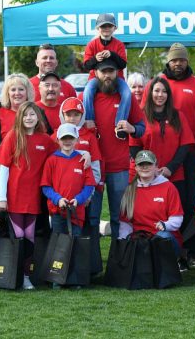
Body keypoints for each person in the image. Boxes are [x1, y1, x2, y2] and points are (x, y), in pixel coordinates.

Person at [130, 76, 194, 267]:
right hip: (147, 176)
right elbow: (134, 146)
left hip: (174, 175)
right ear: (150, 94)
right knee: (149, 215)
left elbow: (185, 145)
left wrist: (169, 168)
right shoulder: (140, 116)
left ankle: (179, 257)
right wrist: (151, 170)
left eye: (164, 91)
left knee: (175, 217)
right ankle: (149, 252)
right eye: (156, 91)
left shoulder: (178, 115)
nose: (160, 95)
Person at [0, 101, 57, 290]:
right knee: (18, 236)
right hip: (13, 197)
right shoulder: (13, 137)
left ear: (38, 117)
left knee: (30, 237)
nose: (29, 118)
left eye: (32, 114)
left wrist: (84, 156)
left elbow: (60, 158)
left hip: (34, 199)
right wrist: (2, 198)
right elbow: (4, 169)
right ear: (19, 118)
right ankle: (14, 274)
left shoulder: (45, 140)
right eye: (25, 115)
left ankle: (26, 275)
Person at [159, 43, 195, 259]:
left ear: (187, 61)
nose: (177, 63)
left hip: (188, 153)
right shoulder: (159, 83)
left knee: (190, 201)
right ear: (168, 62)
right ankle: (165, 245)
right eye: (174, 60)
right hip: (162, 153)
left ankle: (189, 247)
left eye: (181, 60)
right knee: (164, 200)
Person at [91, 57, 146, 238]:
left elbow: (142, 128)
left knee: (119, 217)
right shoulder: (88, 99)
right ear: (96, 74)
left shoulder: (125, 99)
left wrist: (132, 129)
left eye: (111, 72)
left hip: (119, 167)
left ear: (117, 73)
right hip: (93, 166)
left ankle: (119, 260)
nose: (107, 75)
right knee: (92, 217)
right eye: (103, 72)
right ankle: (92, 263)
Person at [0, 73, 35, 220]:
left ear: (27, 91)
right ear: (7, 92)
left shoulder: (36, 113)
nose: (17, 93)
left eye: (21, 89)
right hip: (3, 175)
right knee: (6, 223)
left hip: (30, 176)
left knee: (29, 221)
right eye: (13, 89)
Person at [59, 97, 103, 275]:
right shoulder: (58, 134)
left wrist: (89, 195)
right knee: (62, 231)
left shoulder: (89, 136)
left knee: (89, 228)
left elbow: (96, 167)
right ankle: (59, 270)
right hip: (62, 197)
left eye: (77, 114)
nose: (73, 118)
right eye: (69, 114)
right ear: (63, 115)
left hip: (85, 195)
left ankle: (90, 269)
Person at [118, 150, 184, 255]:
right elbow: (125, 222)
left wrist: (165, 225)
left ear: (156, 166)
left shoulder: (168, 187)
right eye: (141, 164)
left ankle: (171, 263)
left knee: (163, 237)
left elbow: (177, 218)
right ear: (135, 167)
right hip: (140, 238)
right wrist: (123, 240)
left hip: (162, 236)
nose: (145, 167)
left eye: (148, 164)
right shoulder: (130, 190)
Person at [41, 123, 96, 237]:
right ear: (58, 140)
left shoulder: (83, 160)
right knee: (59, 245)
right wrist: (58, 199)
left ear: (77, 140)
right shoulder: (51, 160)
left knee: (75, 244)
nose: (67, 141)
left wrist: (79, 199)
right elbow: (46, 186)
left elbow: (89, 185)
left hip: (76, 211)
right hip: (58, 211)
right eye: (63, 138)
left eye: (71, 138)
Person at [82, 13, 132, 128]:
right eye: (103, 26)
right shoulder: (91, 44)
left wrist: (112, 54)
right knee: (88, 91)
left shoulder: (119, 44)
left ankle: (120, 124)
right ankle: (89, 121)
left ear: (114, 28)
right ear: (98, 28)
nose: (106, 29)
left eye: (109, 26)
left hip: (116, 78)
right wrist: (95, 59)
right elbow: (86, 66)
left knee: (127, 93)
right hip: (96, 78)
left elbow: (122, 64)